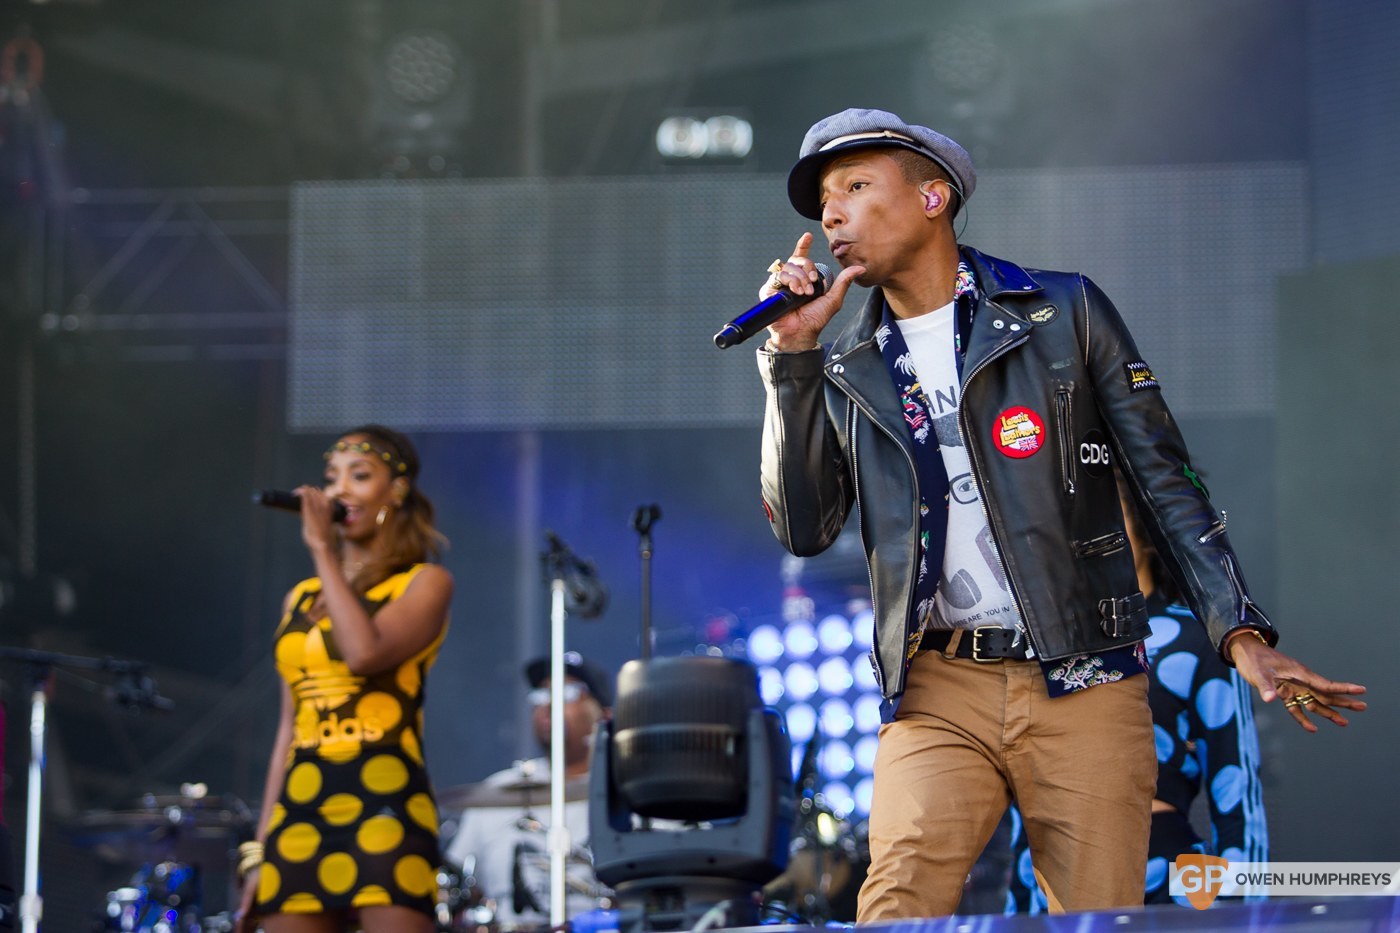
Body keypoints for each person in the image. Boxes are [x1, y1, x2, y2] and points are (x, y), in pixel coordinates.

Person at [754, 107, 1366, 920]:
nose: (831, 214)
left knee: (1094, 916)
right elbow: (805, 528)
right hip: (938, 683)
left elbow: (1166, 478)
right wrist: (790, 359)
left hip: (1084, 674)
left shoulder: (1064, 313)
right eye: (824, 200)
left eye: (856, 187)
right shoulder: (851, 366)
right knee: (897, 903)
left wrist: (1238, 630)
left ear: (934, 197)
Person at [1007, 474, 1268, 911]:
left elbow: (1237, 792)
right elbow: (1024, 810)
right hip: (1051, 875)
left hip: (1166, 876)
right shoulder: (1041, 645)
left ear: (1146, 528)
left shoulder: (1197, 636)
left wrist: (1247, 913)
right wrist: (1020, 910)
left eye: (1102, 516)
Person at [236, 425, 454, 933]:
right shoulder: (300, 599)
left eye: (359, 476)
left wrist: (321, 549)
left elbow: (363, 653)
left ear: (396, 490)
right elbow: (287, 731)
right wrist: (260, 850)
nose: (338, 491)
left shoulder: (424, 584)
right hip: (299, 814)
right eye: (331, 479)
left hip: (384, 807)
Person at [443, 651, 613, 927]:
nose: (548, 704)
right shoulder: (499, 791)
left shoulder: (632, 794)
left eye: (568, 693)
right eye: (540, 696)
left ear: (605, 715)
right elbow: (456, 889)